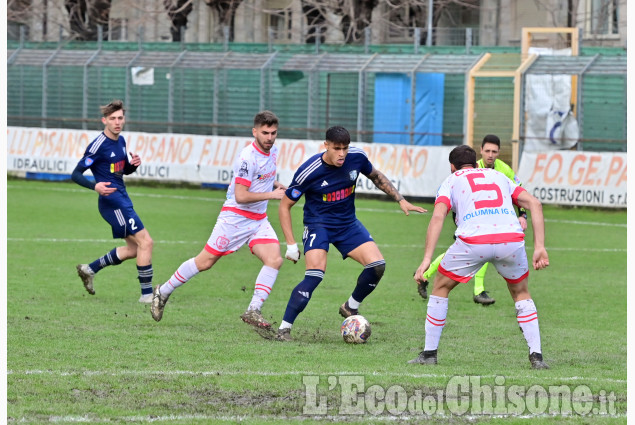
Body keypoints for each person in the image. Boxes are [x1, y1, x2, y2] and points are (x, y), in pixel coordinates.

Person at [274, 126, 427, 341]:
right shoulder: (309, 171)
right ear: (325, 145)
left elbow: (376, 176)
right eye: (337, 148)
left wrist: (400, 199)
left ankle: (350, 307)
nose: (342, 154)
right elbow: (284, 206)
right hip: (319, 225)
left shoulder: (356, 158)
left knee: (377, 266)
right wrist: (290, 244)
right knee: (315, 275)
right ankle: (284, 329)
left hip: (347, 224)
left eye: (345, 148)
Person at [410, 145, 549, 369]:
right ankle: (537, 357)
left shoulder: (452, 180)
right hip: (510, 239)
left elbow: (438, 217)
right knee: (521, 292)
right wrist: (540, 246)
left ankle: (429, 354)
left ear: (452, 167)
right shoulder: (498, 175)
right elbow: (535, 204)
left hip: (474, 241)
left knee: (441, 287)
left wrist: (427, 259)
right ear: (476, 164)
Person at [150, 111, 286, 327]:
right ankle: (163, 291)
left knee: (274, 259)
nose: (269, 138)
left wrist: (275, 184)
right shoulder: (246, 158)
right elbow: (241, 196)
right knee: (204, 262)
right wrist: (272, 194)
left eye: (273, 133)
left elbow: (262, 176)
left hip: (258, 220)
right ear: (254, 132)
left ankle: (253, 310)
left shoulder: (273, 151)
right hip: (235, 219)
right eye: (265, 133)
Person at [416, 134, 528, 306]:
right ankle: (477, 290)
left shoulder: (503, 169)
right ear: (480, 152)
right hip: (469, 217)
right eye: (487, 151)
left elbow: (519, 191)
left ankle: (430, 275)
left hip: (492, 219)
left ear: (498, 153)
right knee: (479, 248)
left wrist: (522, 215)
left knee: (467, 250)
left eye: (494, 151)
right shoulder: (472, 168)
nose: (490, 155)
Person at [73, 100, 155, 303]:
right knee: (146, 242)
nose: (117, 122)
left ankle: (89, 269)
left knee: (134, 249)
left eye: (120, 118)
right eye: (112, 119)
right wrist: (95, 186)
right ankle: (147, 296)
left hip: (122, 198)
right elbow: (76, 173)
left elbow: (120, 170)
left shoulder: (122, 141)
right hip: (112, 202)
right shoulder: (97, 145)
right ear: (104, 120)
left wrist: (132, 165)